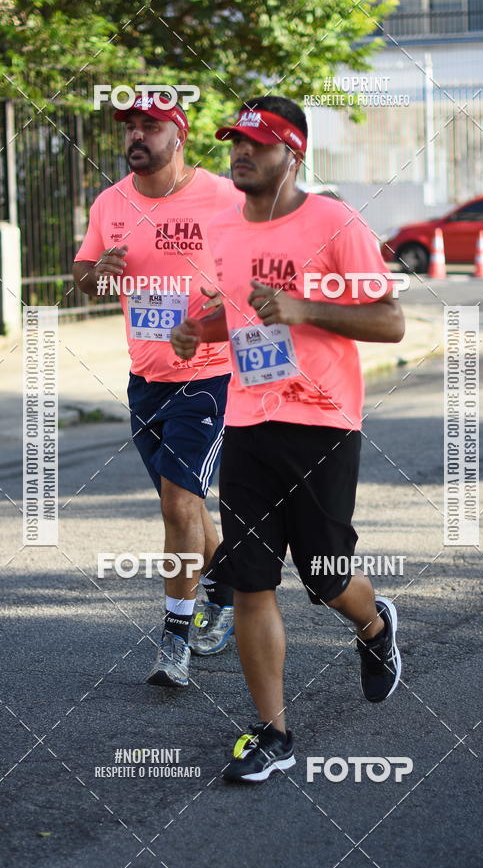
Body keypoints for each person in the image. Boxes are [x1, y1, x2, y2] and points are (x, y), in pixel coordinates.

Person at [170, 95, 405, 781]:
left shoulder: (333, 221)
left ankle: (374, 624)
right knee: (250, 578)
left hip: (324, 420)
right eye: (234, 142)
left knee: (326, 573)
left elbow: (390, 320)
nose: (241, 153)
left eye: (257, 143)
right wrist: (198, 330)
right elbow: (240, 315)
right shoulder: (228, 230)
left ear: (292, 153)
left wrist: (305, 307)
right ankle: (272, 733)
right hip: (247, 420)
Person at [72, 92, 241, 688]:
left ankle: (176, 638)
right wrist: (99, 275)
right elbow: (82, 274)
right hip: (146, 379)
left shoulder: (223, 194)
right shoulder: (110, 203)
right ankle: (228, 588)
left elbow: (262, 259)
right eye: (131, 127)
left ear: (180, 135)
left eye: (151, 126)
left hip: (212, 373)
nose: (137, 136)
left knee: (176, 504)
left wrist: (232, 297)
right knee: (189, 506)